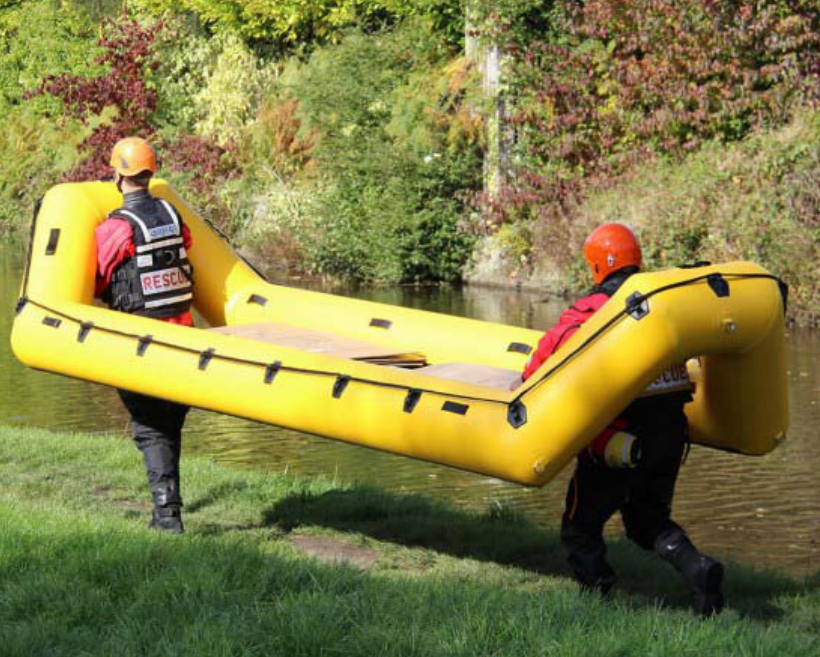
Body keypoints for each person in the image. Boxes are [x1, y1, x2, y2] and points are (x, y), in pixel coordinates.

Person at [519, 223, 724, 616]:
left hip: (618, 442)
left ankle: (598, 600)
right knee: (647, 520)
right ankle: (699, 570)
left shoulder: (590, 311)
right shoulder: (665, 304)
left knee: (580, 526)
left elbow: (537, 369)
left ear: (596, 266)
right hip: (669, 436)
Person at [95, 136, 194, 534]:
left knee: (150, 428)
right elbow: (185, 250)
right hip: (184, 338)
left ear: (118, 175)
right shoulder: (173, 214)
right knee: (168, 425)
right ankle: (168, 511)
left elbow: (97, 276)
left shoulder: (116, 228)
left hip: (142, 343)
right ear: (151, 172)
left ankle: (168, 518)